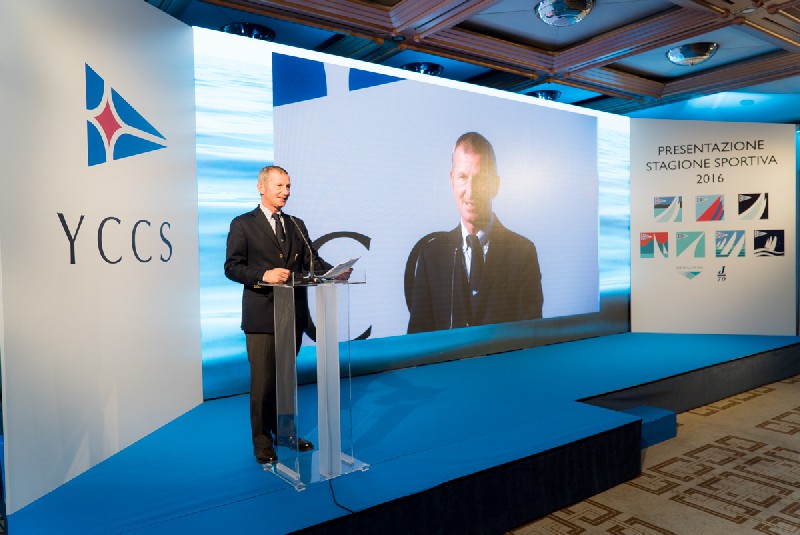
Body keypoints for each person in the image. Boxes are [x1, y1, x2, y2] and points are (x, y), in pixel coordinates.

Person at [225, 165, 333, 465]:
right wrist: (264, 275)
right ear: (262, 187)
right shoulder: (243, 224)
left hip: (292, 315)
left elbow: (313, 261)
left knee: (285, 380)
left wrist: (334, 273)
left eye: (288, 186)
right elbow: (232, 267)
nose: (286, 192)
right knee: (263, 384)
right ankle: (262, 442)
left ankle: (285, 433)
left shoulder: (296, 224)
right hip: (261, 317)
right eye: (280, 186)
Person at [407, 132, 543, 334]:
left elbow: (531, 338)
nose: (470, 192)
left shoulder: (523, 253)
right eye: (462, 177)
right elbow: (417, 340)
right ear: (452, 180)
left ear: (495, 185)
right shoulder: (431, 255)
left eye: (480, 179)